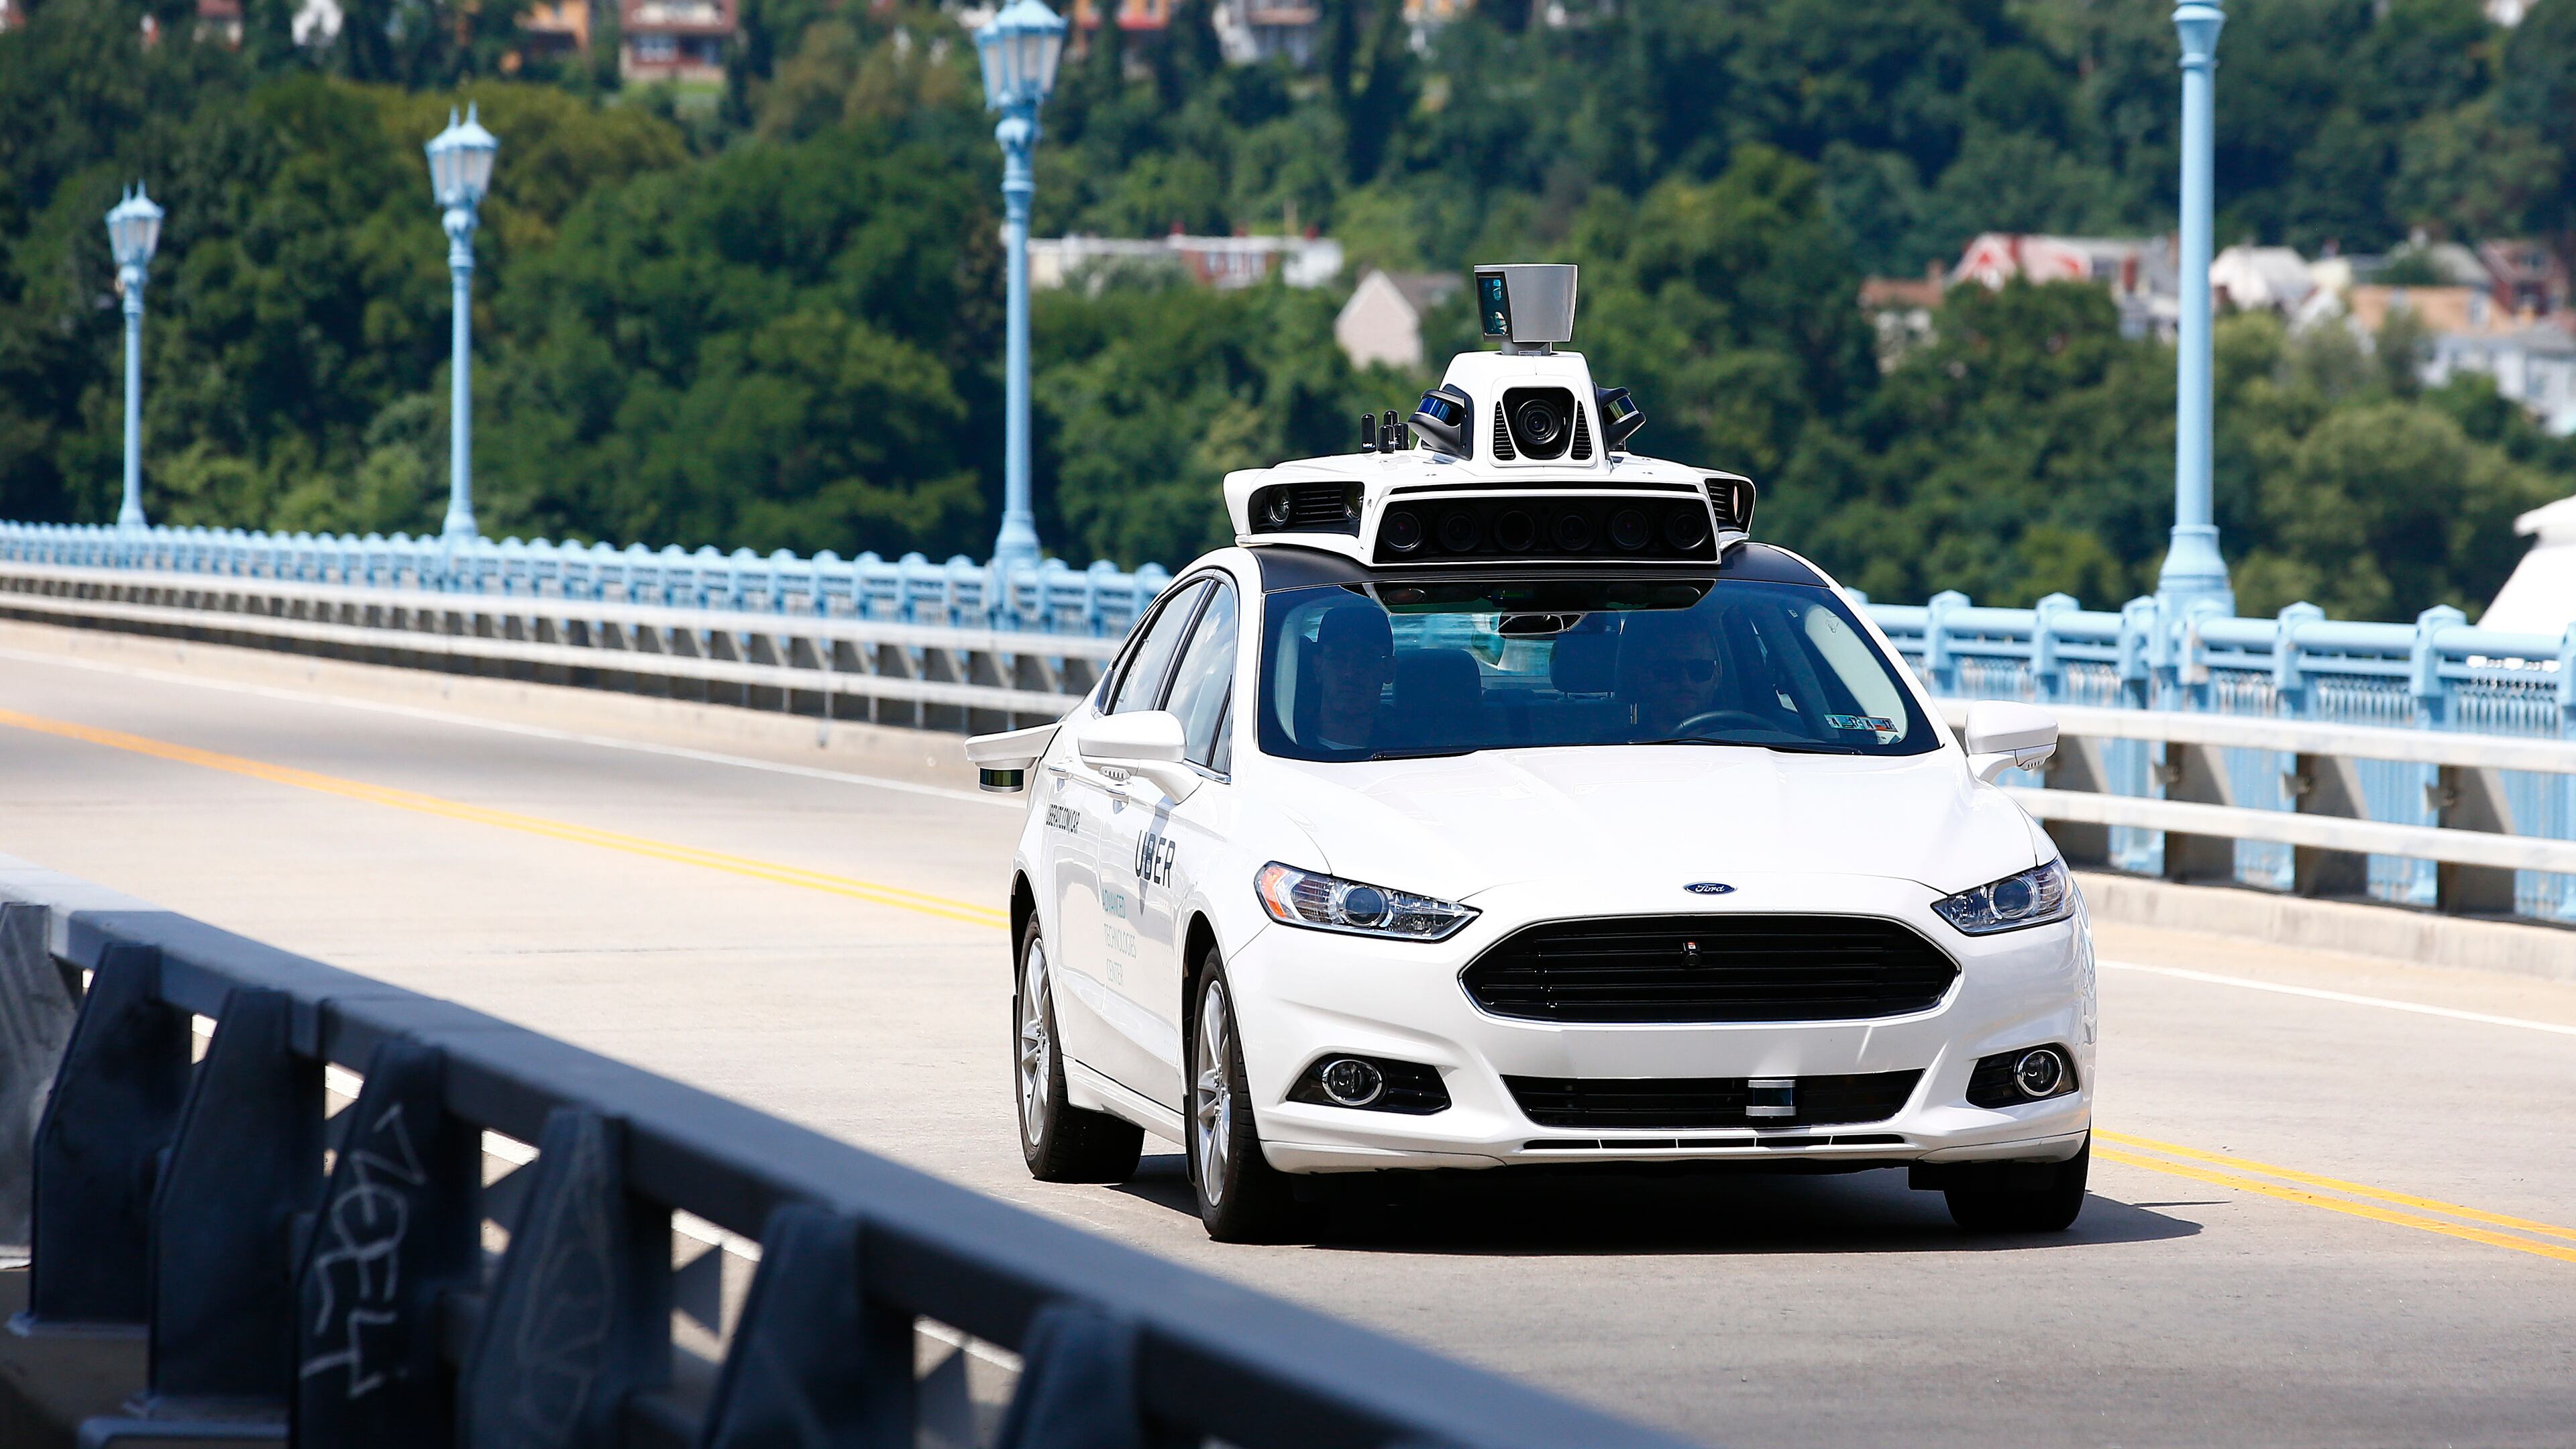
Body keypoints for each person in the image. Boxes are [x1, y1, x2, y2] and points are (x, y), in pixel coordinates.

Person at [1618, 608, 1725, 737]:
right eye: (1668, 670)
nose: (1686, 682)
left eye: (1699, 669)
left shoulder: (1744, 743)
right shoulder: (1608, 752)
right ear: (1643, 678)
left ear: (1717, 676)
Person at [1309, 604, 1394, 752]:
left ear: (1388, 670)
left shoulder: (1416, 756)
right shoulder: (1275, 744)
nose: (1350, 672)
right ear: (1318, 667)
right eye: (1337, 658)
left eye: (1366, 659)